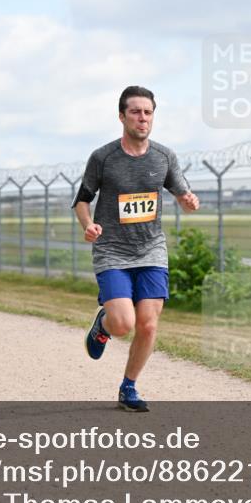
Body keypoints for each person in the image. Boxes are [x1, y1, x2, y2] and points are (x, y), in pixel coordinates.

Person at [72, 86, 200, 412]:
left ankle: (128, 387)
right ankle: (104, 325)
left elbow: (182, 193)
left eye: (148, 112)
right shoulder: (103, 158)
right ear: (122, 116)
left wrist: (188, 201)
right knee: (123, 324)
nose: (142, 118)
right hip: (112, 250)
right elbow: (82, 201)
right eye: (135, 112)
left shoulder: (164, 156)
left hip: (151, 250)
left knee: (148, 324)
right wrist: (88, 225)